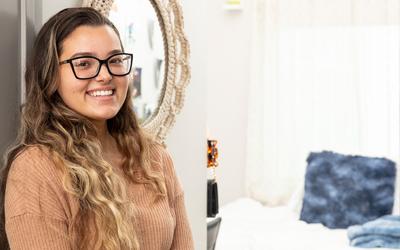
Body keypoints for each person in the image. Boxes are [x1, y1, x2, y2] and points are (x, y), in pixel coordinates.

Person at [0, 7, 194, 250]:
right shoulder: (37, 169)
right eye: (84, 63)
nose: (105, 75)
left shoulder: (156, 159)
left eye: (114, 60)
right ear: (51, 75)